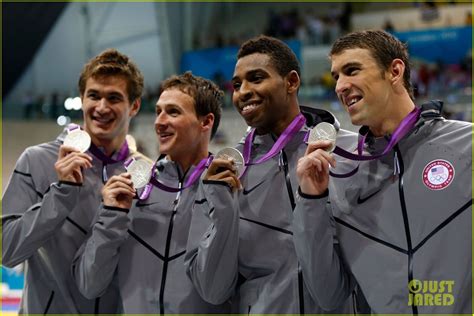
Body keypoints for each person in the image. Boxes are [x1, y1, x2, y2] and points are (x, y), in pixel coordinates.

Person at [293, 29, 472, 314]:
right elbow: (329, 294)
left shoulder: (467, 146)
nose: (339, 85)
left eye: (351, 70)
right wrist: (310, 200)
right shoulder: (341, 174)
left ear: (395, 71)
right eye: (336, 76)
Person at [185, 35, 359, 314]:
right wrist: (223, 209)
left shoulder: (349, 152)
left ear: (291, 82)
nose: (243, 92)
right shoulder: (221, 174)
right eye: (237, 84)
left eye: (256, 78)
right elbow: (212, 290)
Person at [72, 72, 231, 313]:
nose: (159, 122)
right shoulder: (130, 187)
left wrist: (222, 206)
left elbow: (220, 289)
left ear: (205, 122)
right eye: (158, 111)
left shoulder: (227, 189)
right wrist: (112, 216)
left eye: (173, 112)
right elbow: (89, 285)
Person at [2, 48, 146, 314]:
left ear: (134, 106)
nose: (101, 107)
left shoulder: (145, 175)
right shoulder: (36, 161)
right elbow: (7, 250)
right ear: (82, 99)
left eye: (114, 98)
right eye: (94, 95)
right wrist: (61, 193)